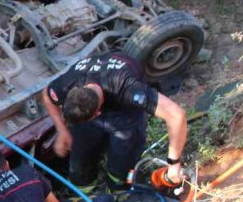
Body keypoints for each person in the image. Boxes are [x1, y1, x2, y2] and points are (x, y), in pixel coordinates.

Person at [40, 52, 188, 193]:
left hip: (125, 116)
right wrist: (62, 130)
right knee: (79, 163)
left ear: (97, 113)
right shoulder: (70, 82)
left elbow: (176, 115)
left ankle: (117, 191)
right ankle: (85, 191)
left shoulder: (127, 88)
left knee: (121, 167)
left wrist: (173, 164)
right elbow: (47, 95)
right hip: (92, 111)